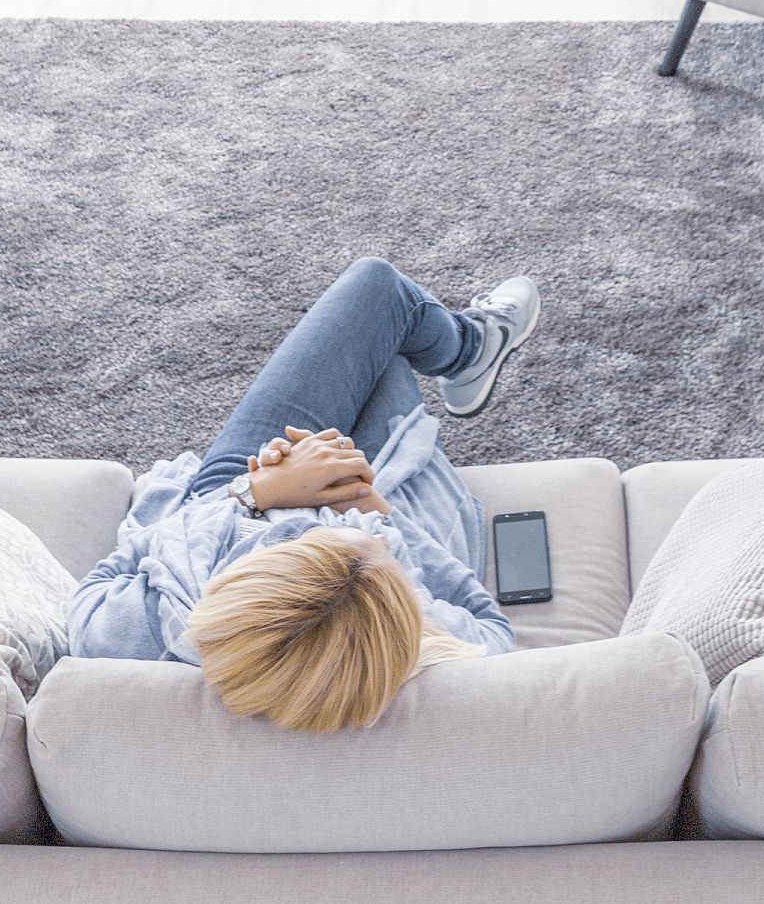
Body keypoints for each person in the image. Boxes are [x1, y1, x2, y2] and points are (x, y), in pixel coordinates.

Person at [67, 257, 541, 733]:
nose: (374, 535)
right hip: (359, 498)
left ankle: (468, 348)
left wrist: (252, 493)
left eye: (299, 536)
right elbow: (491, 625)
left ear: (240, 575)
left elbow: (107, 575)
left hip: (230, 500)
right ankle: (469, 350)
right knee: (384, 324)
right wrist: (376, 513)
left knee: (373, 317)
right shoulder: (432, 631)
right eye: (382, 547)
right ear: (399, 615)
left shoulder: (134, 629)